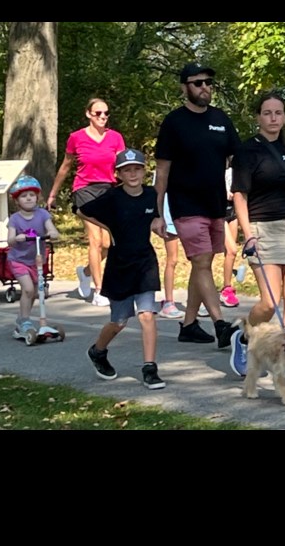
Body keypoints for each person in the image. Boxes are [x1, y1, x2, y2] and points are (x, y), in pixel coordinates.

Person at [152, 62, 242, 348]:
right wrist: (157, 214)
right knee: (202, 261)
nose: (205, 88)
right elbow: (162, 173)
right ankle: (220, 323)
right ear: (184, 88)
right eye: (198, 83)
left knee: (202, 263)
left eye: (209, 83)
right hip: (185, 204)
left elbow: (237, 159)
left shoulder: (221, 119)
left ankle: (189, 324)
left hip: (215, 204)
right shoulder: (174, 122)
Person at [229, 91, 285, 379]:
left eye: (278, 113)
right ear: (258, 117)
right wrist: (248, 233)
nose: (273, 118)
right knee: (270, 301)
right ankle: (244, 339)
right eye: (267, 113)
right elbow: (239, 195)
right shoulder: (247, 150)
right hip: (263, 228)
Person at [78, 148, 166, 389]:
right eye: (127, 170)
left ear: (143, 171)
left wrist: (159, 222)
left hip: (145, 262)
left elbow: (156, 216)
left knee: (147, 315)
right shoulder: (112, 197)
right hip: (119, 265)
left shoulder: (150, 194)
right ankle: (98, 351)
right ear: (119, 174)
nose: (133, 174)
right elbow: (82, 210)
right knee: (119, 321)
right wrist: (108, 226)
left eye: (137, 168)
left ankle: (150, 368)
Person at [47, 97, 125, 307]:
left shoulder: (115, 138)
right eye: (98, 113)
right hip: (84, 189)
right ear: (89, 114)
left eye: (106, 113)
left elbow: (122, 166)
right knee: (95, 240)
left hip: (108, 189)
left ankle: (86, 272)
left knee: (109, 244)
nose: (103, 117)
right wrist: (53, 194)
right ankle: (99, 291)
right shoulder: (76, 138)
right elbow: (65, 166)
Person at [6, 175, 61, 345]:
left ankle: (23, 319)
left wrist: (53, 233)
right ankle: (24, 320)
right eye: (23, 196)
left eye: (31, 195)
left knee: (38, 292)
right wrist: (17, 238)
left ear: (37, 197)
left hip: (36, 260)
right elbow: (10, 240)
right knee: (28, 289)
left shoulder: (43, 214)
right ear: (17, 201)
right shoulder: (15, 219)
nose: (28, 198)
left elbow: (52, 230)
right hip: (18, 260)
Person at [219, 164, 246, 309]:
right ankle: (226, 290)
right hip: (219, 213)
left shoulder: (236, 169)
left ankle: (227, 287)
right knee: (232, 250)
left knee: (228, 254)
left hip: (232, 211)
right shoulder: (215, 166)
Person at [156, 183, 185, 319]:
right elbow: (158, 192)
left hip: (188, 213)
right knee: (172, 259)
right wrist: (160, 217)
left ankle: (200, 301)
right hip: (170, 215)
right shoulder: (165, 166)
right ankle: (169, 302)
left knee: (198, 260)